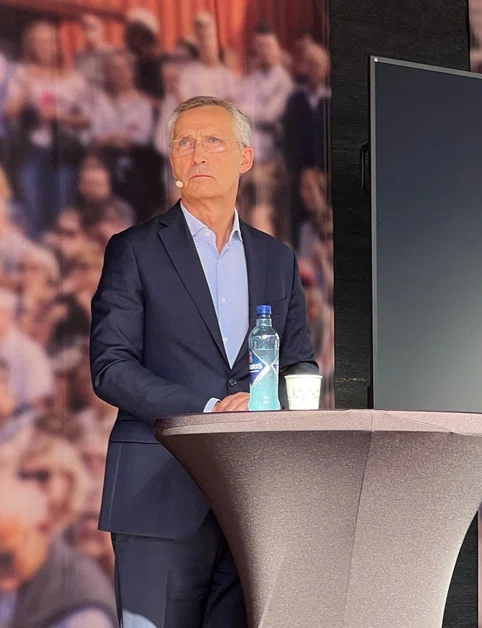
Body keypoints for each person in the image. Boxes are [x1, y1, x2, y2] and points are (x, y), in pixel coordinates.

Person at [89, 95, 318, 628]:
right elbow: (110, 367)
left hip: (253, 504)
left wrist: (267, 402)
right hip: (157, 496)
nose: (197, 153)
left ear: (245, 157)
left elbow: (300, 366)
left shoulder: (277, 259)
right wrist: (211, 408)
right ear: (172, 160)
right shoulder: (134, 250)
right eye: (184, 143)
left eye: (213, 140)